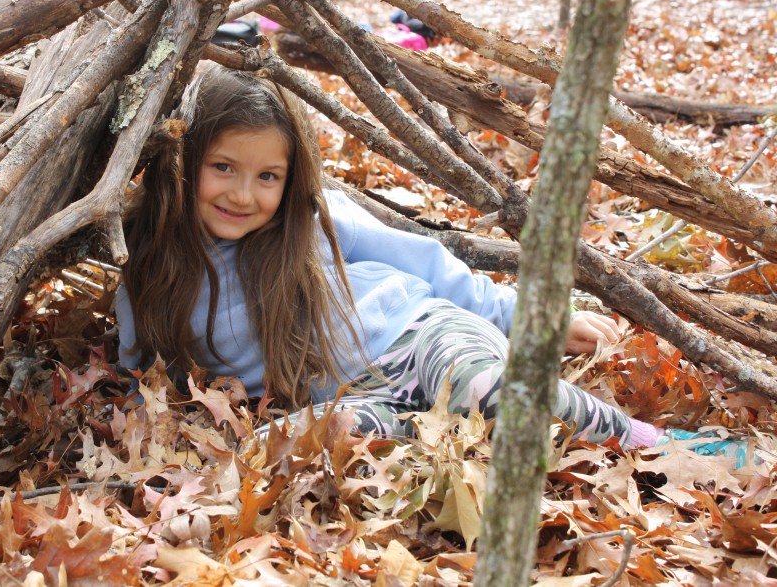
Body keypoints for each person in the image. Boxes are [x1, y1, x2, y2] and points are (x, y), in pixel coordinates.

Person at [115, 64, 756, 466]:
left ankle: (653, 445)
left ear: (290, 180)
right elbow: (137, 369)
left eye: (267, 176)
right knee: (279, 449)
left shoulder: (314, 222)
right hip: (348, 396)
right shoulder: (149, 275)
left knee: (487, 389)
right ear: (183, 160)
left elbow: (426, 260)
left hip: (421, 334)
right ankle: (421, 431)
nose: (242, 194)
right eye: (222, 167)